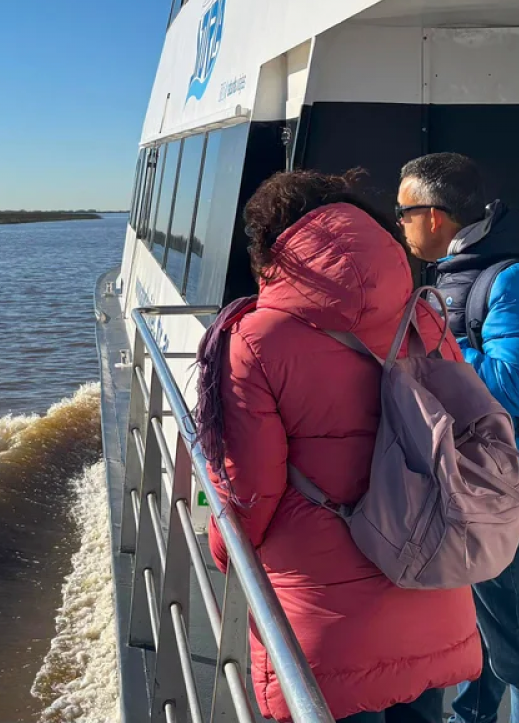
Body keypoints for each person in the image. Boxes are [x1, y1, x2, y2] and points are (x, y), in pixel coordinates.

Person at [198, 169, 481, 723]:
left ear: (271, 246)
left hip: (327, 624)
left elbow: (247, 489)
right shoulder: (425, 314)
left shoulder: (255, 339)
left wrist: (223, 548)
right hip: (431, 580)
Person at [396, 153, 519, 723]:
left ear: (435, 216)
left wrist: (436, 347)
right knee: (477, 628)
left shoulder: (514, 279)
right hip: (463, 483)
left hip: (499, 488)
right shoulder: (455, 273)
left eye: (404, 213)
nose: (399, 224)